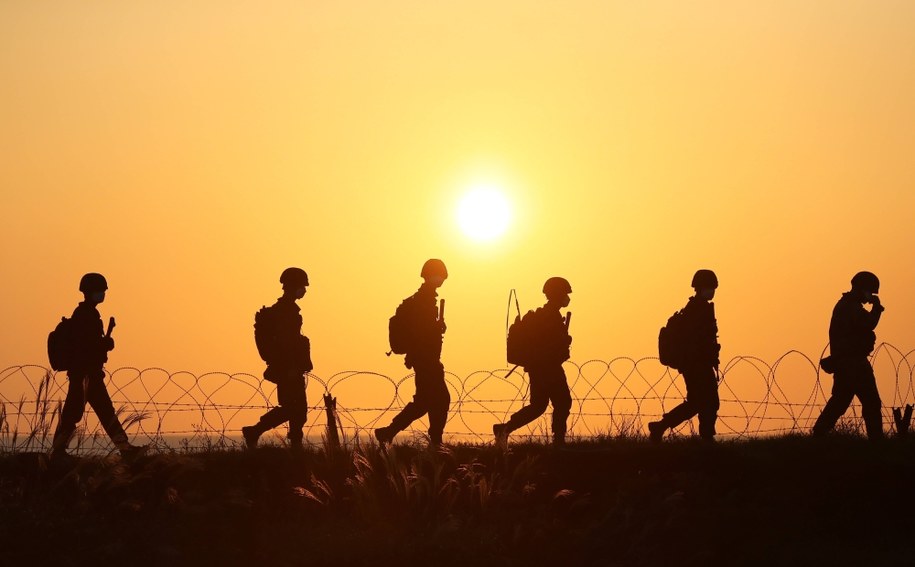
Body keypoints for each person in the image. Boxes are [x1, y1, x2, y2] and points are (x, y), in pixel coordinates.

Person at [50, 273, 144, 460]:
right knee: (75, 413)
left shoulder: (88, 313)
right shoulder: (85, 315)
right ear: (90, 292)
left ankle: (124, 448)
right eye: (100, 291)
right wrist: (105, 344)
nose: (102, 294)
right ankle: (58, 452)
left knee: (99, 411)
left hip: (88, 373)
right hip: (85, 374)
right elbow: (85, 345)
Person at [375, 259, 450, 447]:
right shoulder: (423, 301)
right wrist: (436, 329)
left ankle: (389, 432)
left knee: (425, 401)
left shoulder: (425, 299)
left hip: (425, 358)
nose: (441, 279)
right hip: (426, 359)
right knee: (438, 399)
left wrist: (436, 328)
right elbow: (421, 332)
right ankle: (435, 442)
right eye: (438, 275)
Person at [493, 277, 574, 446]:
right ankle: (558, 440)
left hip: (542, 368)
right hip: (547, 368)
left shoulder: (548, 315)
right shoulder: (548, 317)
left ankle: (505, 428)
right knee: (562, 402)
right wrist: (563, 342)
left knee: (539, 406)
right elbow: (547, 344)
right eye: (565, 294)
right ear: (557, 295)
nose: (567, 297)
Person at [242, 267, 313, 451]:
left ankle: (294, 445)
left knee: (298, 410)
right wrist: (290, 367)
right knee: (292, 408)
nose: (304, 290)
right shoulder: (284, 312)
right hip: (288, 368)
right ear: (293, 286)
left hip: (291, 367)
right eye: (302, 286)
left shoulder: (289, 310)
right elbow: (286, 343)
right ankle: (255, 431)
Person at [649, 269, 721, 442]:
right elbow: (694, 340)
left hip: (698, 363)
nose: (712, 291)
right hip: (695, 365)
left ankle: (661, 427)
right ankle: (706, 438)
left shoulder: (701, 308)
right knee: (706, 402)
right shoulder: (695, 310)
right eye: (709, 287)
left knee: (700, 402)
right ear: (699, 287)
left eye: (713, 287)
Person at [812, 271, 885, 440]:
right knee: (871, 402)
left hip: (846, 362)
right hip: (854, 362)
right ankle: (877, 441)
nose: (869, 297)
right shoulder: (850, 307)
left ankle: (819, 433)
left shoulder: (848, 305)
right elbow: (868, 324)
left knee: (841, 400)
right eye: (869, 292)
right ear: (861, 289)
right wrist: (877, 308)